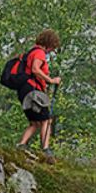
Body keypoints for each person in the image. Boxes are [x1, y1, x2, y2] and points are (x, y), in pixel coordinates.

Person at [17, 29, 61, 158]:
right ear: (49, 43)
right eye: (52, 47)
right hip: (33, 91)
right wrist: (51, 80)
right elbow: (35, 69)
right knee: (46, 120)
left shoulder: (31, 52)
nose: (52, 50)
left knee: (35, 122)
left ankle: (21, 145)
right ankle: (46, 149)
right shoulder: (39, 53)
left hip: (25, 91)